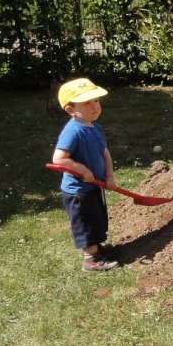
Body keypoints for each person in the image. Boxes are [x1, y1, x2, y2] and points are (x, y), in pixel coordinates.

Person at [52, 78, 119, 272]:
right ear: (71, 110)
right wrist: (83, 170)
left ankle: (95, 248)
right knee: (87, 222)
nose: (94, 106)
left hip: (93, 186)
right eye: (87, 103)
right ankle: (91, 259)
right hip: (78, 191)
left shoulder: (95, 127)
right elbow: (59, 158)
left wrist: (109, 176)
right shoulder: (73, 131)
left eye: (96, 101)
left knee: (97, 218)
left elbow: (104, 153)